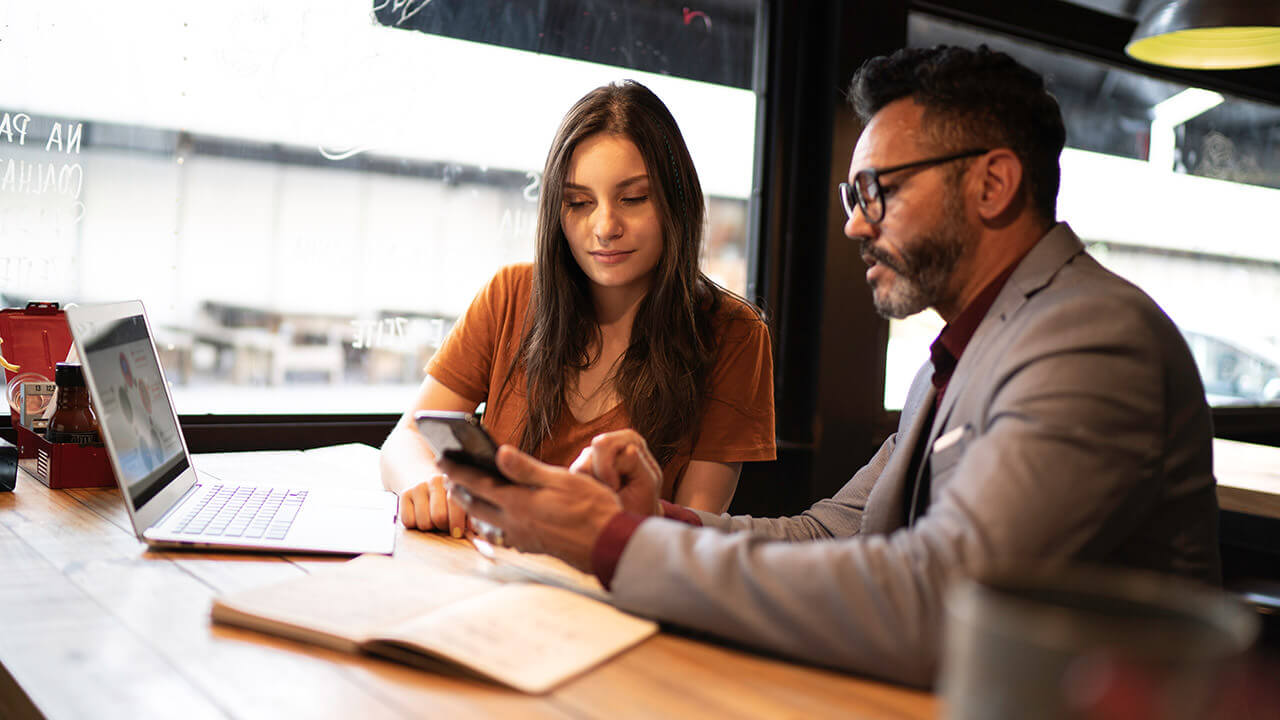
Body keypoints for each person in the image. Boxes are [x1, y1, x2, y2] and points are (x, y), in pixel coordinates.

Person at [439, 45, 1221, 688]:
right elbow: (825, 534)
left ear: (992, 184)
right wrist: (656, 519)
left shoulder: (1089, 336)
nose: (852, 222)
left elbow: (938, 600)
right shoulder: (961, 358)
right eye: (852, 193)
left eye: (877, 190)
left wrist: (613, 543)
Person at [380, 81, 776, 536]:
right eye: (579, 203)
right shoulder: (511, 294)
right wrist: (427, 482)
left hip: (615, 590)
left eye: (633, 198)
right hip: (484, 573)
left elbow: (692, 532)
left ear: (677, 202)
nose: (605, 226)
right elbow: (406, 437)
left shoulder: (733, 334)